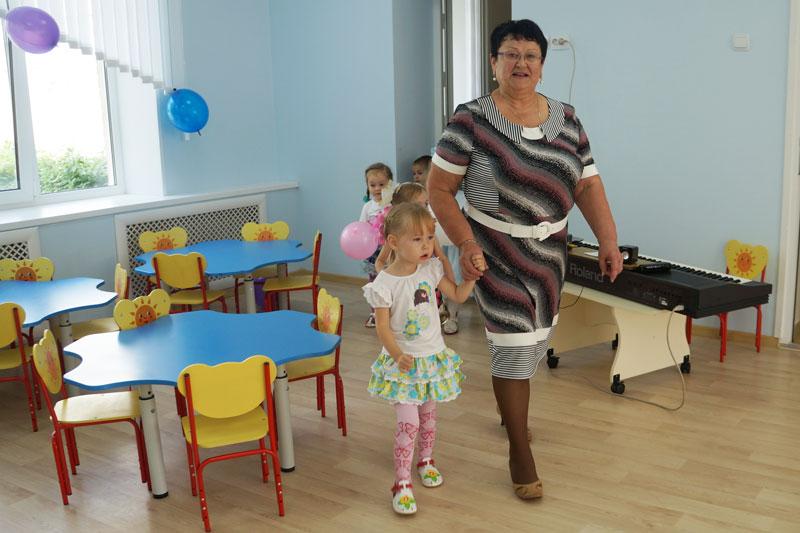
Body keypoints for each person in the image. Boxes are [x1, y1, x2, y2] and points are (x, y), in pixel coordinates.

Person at [428, 19, 624, 500]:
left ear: (541, 65)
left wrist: (608, 240)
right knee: (514, 347)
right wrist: (466, 244)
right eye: (510, 54)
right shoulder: (470, 120)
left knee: (534, 344)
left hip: (549, 255)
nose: (521, 63)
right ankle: (520, 452)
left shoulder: (567, 119)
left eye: (531, 55)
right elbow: (439, 189)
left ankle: (507, 410)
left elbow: (587, 185)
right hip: (493, 251)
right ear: (493, 62)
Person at [363, 202, 485, 515]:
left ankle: (426, 460)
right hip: (403, 364)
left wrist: (472, 276)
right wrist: (398, 355)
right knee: (409, 423)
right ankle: (401, 482)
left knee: (429, 418)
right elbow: (382, 328)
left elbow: (458, 295)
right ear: (393, 242)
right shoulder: (383, 284)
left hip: (431, 360)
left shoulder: (431, 270)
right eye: (417, 239)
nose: (427, 245)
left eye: (430, 237)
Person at [359, 162, 394, 328]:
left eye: (382, 184)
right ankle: (375, 313)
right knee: (374, 281)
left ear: (390, 184)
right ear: (367, 186)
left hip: (391, 251)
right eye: (372, 185)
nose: (377, 188)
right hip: (374, 251)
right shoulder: (367, 207)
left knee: (392, 281)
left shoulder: (392, 205)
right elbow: (361, 228)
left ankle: (393, 312)